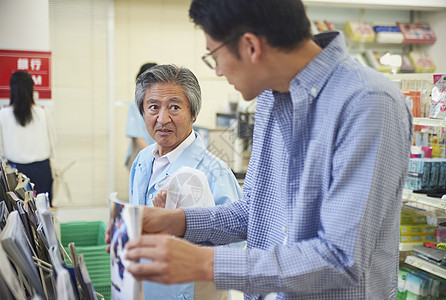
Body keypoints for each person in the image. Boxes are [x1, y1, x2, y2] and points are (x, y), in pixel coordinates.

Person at [120, 1, 412, 299]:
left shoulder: (368, 103)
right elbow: (254, 212)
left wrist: (205, 262)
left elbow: (339, 259)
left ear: (250, 47)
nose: (218, 71)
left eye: (214, 56)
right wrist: (175, 220)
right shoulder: (272, 100)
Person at [128, 64, 242, 300]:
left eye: (174, 107)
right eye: (153, 107)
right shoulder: (142, 161)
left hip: (192, 291)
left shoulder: (215, 172)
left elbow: (236, 249)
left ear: (193, 113)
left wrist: (181, 226)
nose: (162, 118)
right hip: (148, 287)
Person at [0, 71, 57, 206]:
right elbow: (53, 141)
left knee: (19, 215)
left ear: (12, 90)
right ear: (31, 89)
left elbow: (1, 149)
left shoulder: (3, 114)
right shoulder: (44, 112)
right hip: (42, 169)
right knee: (43, 213)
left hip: (14, 172)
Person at [125, 63, 157, 170]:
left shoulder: (162, 103)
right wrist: (156, 156)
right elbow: (138, 138)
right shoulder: (136, 104)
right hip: (143, 156)